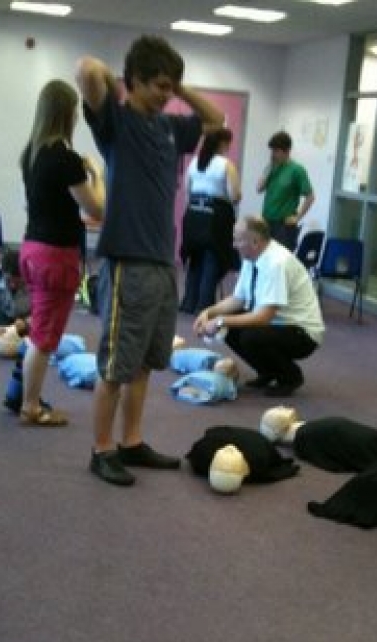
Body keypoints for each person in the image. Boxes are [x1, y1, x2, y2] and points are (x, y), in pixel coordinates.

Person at [76, 37, 224, 487]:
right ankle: (102, 450)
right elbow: (87, 69)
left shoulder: (171, 127)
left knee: (143, 363)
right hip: (128, 262)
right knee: (115, 366)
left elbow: (215, 120)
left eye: (170, 86)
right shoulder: (115, 122)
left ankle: (132, 441)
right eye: (158, 85)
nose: (165, 94)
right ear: (134, 81)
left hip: (162, 262)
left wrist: (178, 89)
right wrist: (118, 83)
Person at [14, 79, 105, 428]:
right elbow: (97, 208)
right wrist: (96, 174)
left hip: (32, 249)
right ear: (68, 114)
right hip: (55, 257)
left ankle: (26, 397)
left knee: (40, 329)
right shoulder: (66, 159)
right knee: (44, 338)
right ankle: (30, 406)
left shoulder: (31, 154)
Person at [193, 215, 325, 396]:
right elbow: (238, 299)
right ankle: (268, 371)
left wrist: (220, 321)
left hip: (303, 334)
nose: (233, 245)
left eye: (238, 240)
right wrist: (208, 312)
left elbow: (263, 317)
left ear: (255, 242)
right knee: (231, 328)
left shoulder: (276, 263)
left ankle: (290, 377)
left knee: (250, 336)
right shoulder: (251, 257)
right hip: (280, 324)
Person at [179, 127, 241, 314]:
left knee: (195, 258)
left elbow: (187, 190)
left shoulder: (195, 163)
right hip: (216, 216)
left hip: (194, 214)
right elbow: (234, 196)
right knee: (212, 258)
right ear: (223, 144)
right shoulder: (226, 165)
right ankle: (204, 305)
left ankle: (189, 302)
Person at [256, 130, 315, 251]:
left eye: (276, 151)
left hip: (284, 227)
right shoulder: (272, 168)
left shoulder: (297, 170)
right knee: (264, 257)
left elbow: (310, 197)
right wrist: (269, 168)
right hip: (266, 222)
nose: (273, 155)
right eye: (272, 151)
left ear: (287, 151)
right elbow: (259, 189)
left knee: (281, 259)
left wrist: (298, 217)